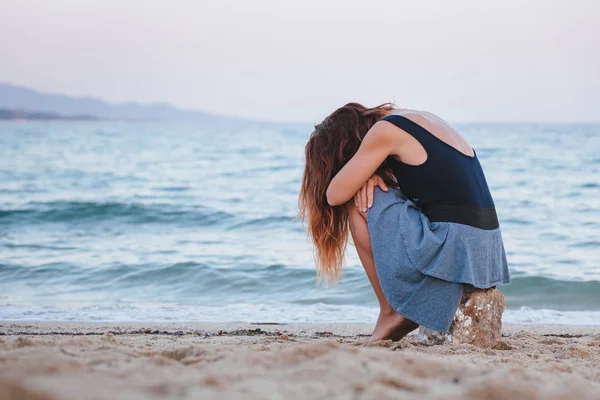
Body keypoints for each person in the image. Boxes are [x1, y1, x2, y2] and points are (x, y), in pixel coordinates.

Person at [298, 103, 510, 342]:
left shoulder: (384, 131)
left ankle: (390, 311)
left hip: (453, 244)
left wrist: (366, 175)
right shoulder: (422, 119)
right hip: (485, 252)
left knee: (357, 202)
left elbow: (334, 195)